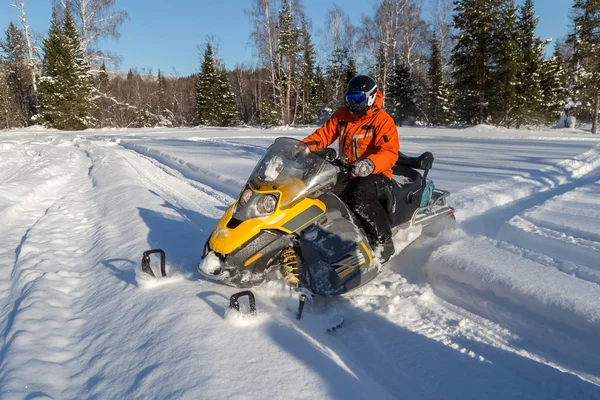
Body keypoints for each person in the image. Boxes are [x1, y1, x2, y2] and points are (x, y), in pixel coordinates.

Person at [300, 75, 399, 263]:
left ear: (370, 98)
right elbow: (323, 135)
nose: (352, 104)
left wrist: (370, 164)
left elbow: (389, 152)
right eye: (349, 98)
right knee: (324, 193)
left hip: (377, 172)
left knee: (359, 196)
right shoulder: (342, 115)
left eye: (358, 99)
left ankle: (383, 241)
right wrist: (302, 148)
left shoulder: (382, 120)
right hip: (349, 169)